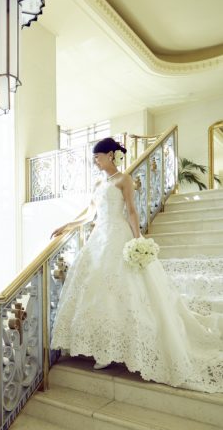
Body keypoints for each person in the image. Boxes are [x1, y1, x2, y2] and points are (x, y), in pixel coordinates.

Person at [50, 137, 223, 393]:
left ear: (110, 155)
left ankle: (114, 349)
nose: (95, 162)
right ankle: (101, 345)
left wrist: (138, 238)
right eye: (94, 158)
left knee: (122, 289)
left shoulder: (124, 179)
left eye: (98, 157)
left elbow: (131, 210)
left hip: (118, 236)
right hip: (99, 239)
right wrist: (67, 225)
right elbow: (90, 214)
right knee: (97, 290)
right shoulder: (98, 183)